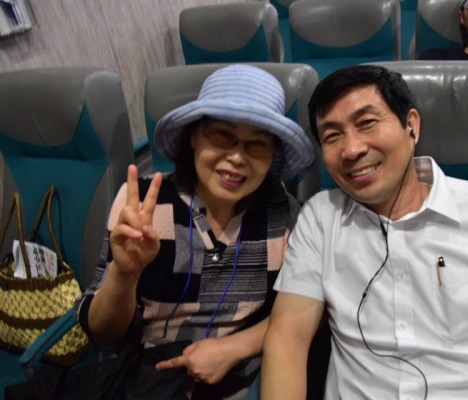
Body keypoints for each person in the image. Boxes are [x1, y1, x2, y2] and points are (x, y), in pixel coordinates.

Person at [261, 65, 468, 399]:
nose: (352, 149)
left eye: (367, 123)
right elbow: (288, 336)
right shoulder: (321, 218)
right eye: (332, 136)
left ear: (412, 125)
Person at [75, 64, 314, 399]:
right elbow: (102, 333)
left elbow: (306, 308)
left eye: (257, 144)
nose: (237, 157)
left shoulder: (282, 211)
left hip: (240, 379)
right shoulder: (143, 205)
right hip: (144, 379)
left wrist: (234, 347)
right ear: (193, 136)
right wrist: (124, 274)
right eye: (222, 135)